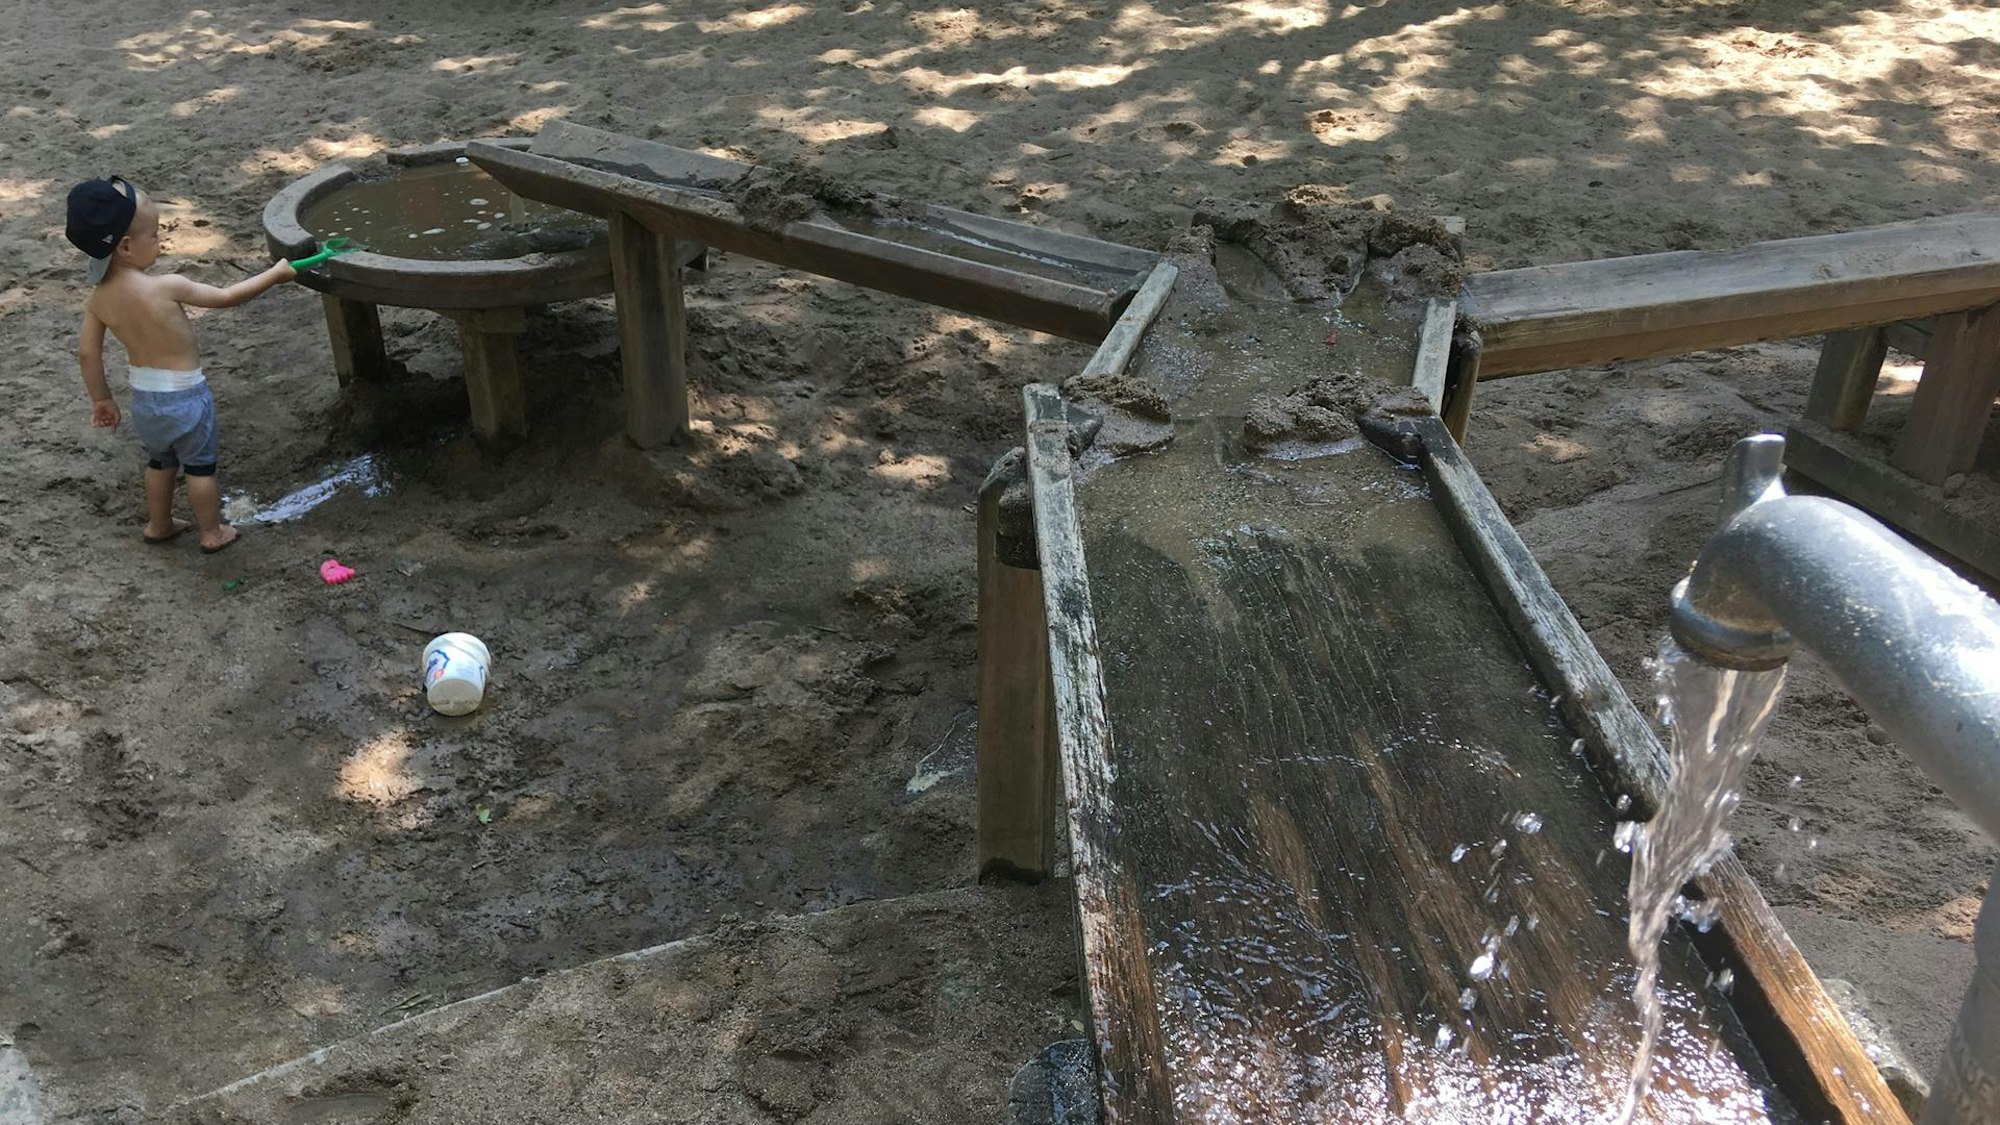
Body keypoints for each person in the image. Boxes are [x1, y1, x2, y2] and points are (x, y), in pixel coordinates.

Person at [69, 176, 297, 554]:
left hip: (145, 400)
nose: (162, 241)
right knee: (199, 468)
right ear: (126, 247)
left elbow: (87, 354)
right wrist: (276, 274)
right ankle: (212, 532)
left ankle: (159, 524)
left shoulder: (98, 300)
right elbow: (226, 297)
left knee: (159, 462)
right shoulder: (166, 286)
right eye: (155, 235)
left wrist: (102, 400)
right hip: (186, 397)